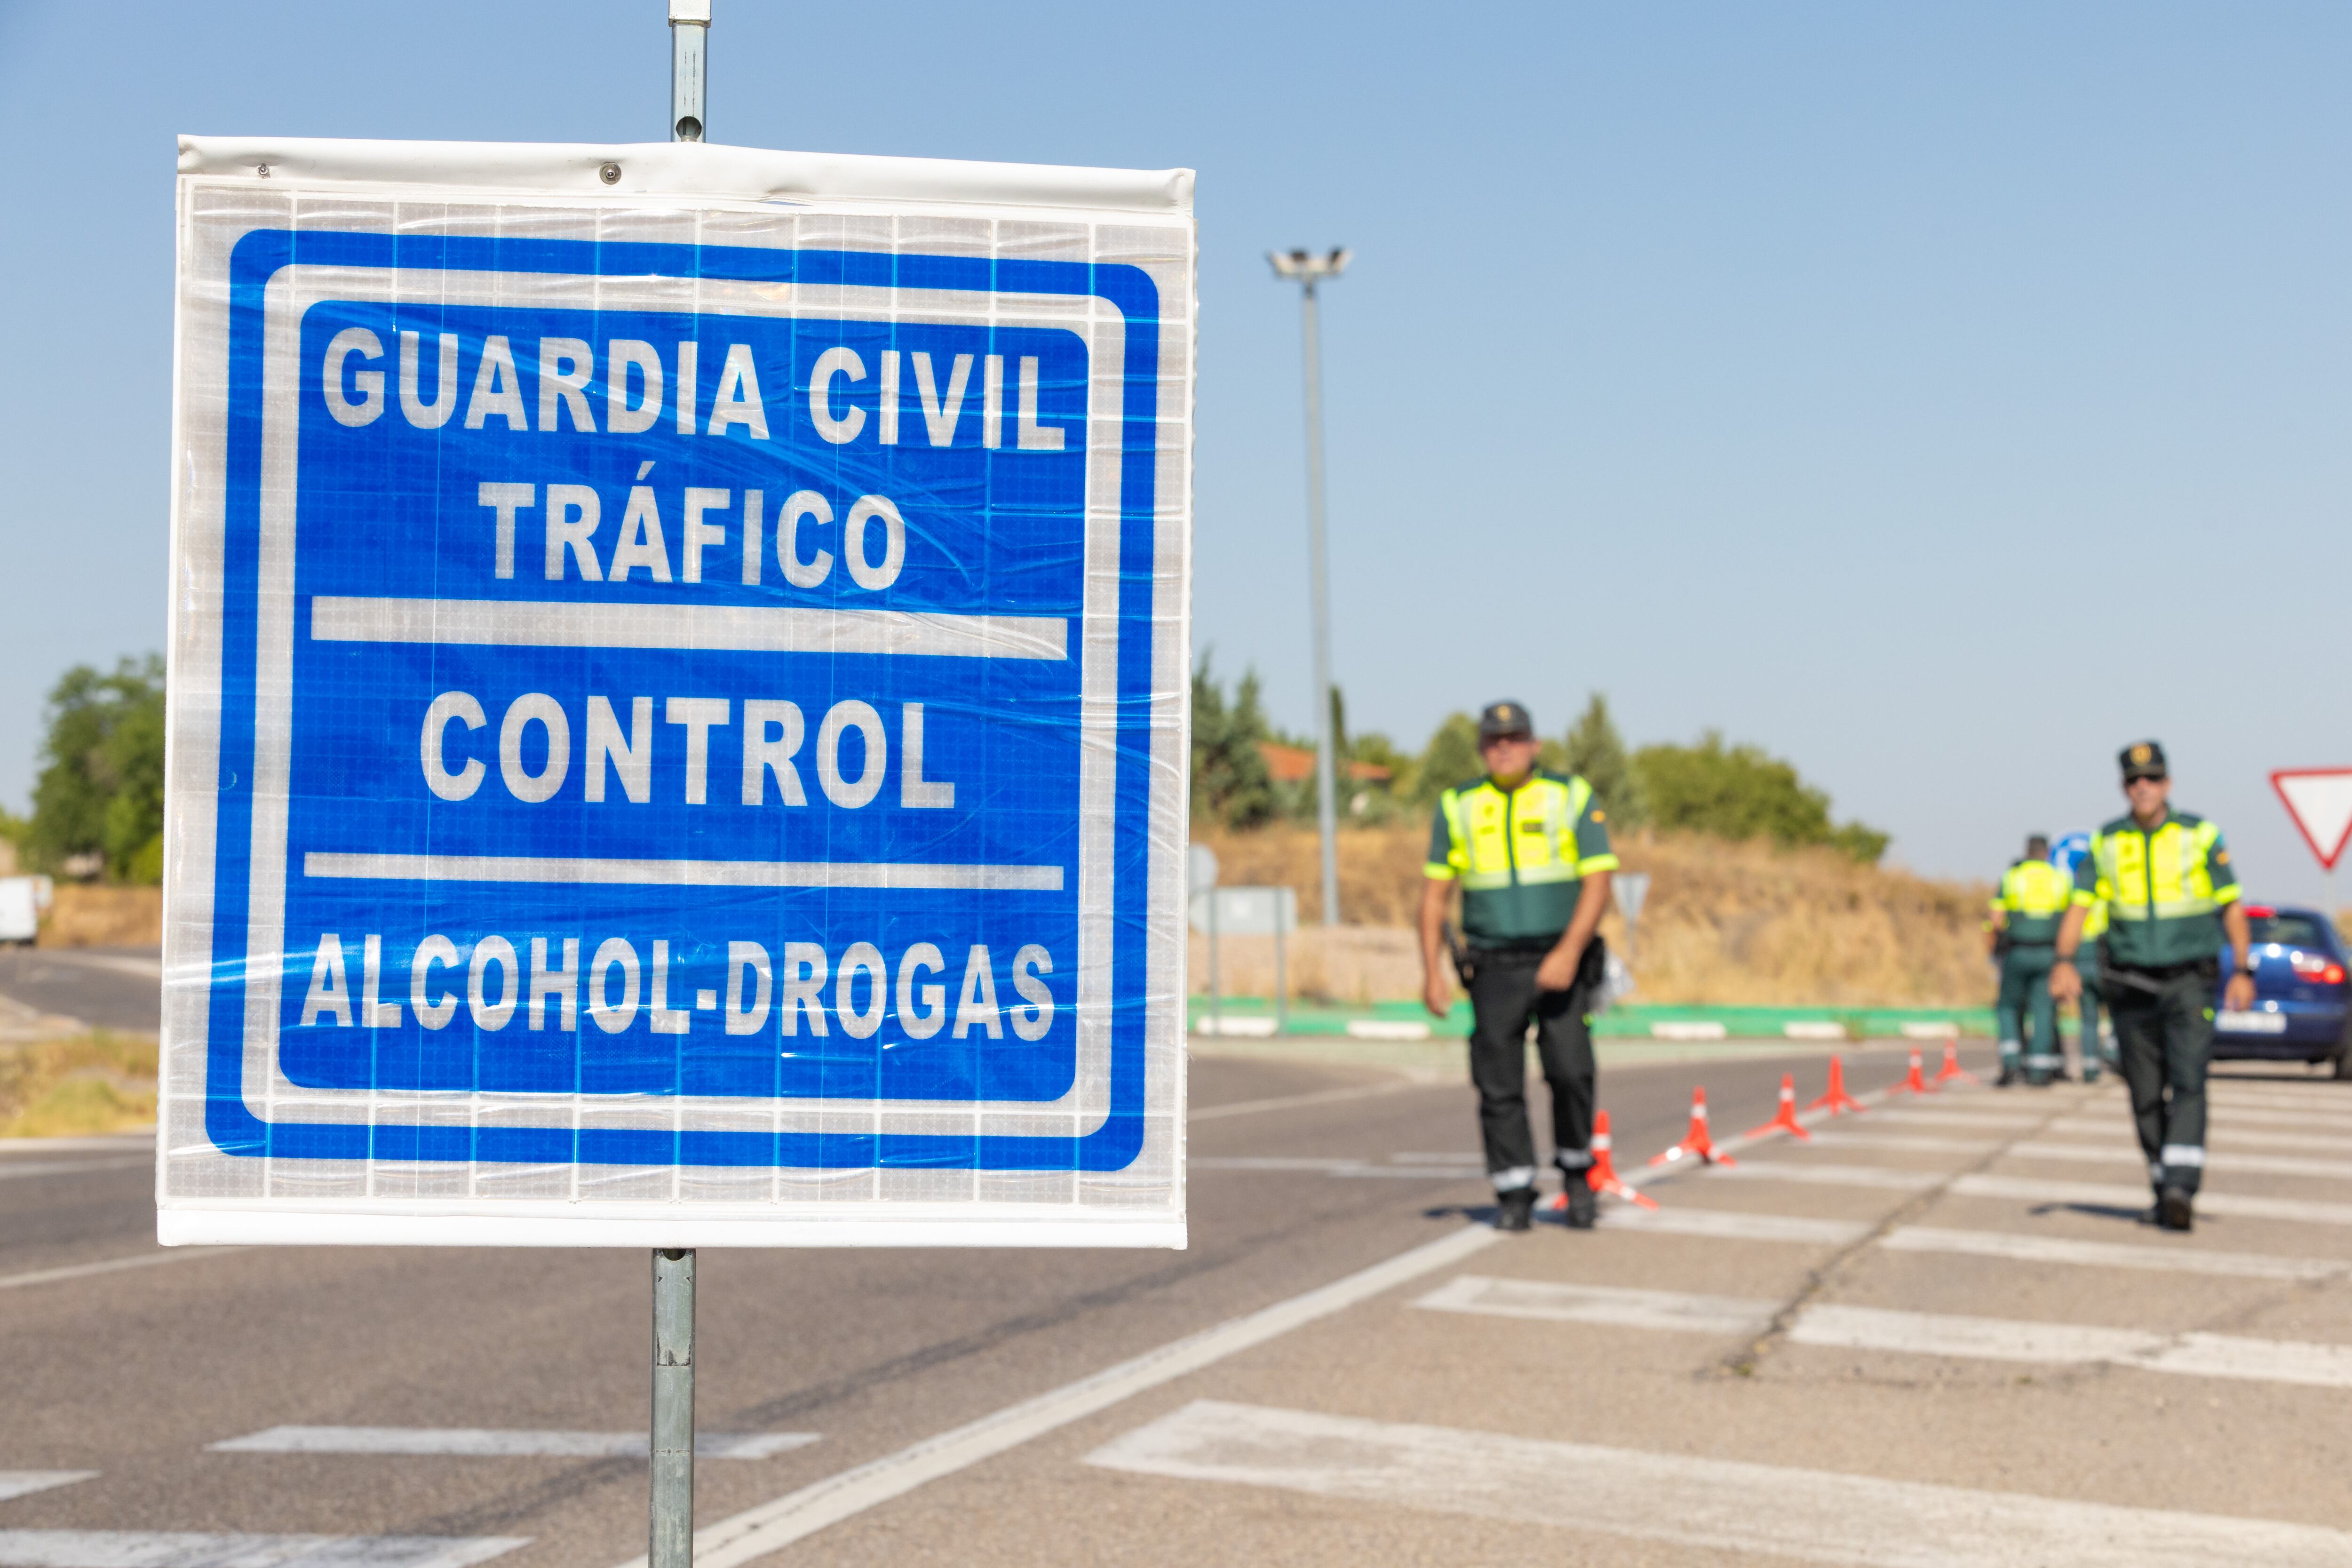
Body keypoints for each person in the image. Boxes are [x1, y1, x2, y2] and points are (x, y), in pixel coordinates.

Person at [1418, 700, 1617, 1232]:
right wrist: (1432, 972)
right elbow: (1434, 896)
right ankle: (1513, 1190)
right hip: (1492, 965)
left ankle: (1577, 1177)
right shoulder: (1457, 803)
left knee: (1571, 1071)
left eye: (1514, 738)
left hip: (1559, 959)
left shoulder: (1569, 795)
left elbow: (1598, 882)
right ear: (1482, 748)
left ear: (1534, 744)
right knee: (1496, 1083)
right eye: (1493, 740)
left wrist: (1568, 953)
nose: (1503, 747)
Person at [2050, 741, 2254, 1232]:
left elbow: (2230, 905)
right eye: (2133, 781)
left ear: (2167, 784)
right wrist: (2062, 962)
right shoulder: (2105, 841)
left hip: (2188, 981)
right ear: (2123, 788)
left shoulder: (2199, 835)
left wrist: (2243, 970)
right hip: (2129, 983)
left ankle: (2181, 1186)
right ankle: (2162, 1183)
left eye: (2152, 779)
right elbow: (2078, 905)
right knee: (2143, 1092)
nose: (2142, 787)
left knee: (2187, 1082)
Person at [1988, 835, 2072, 1087]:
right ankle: (2039, 1071)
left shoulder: (2013, 877)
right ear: (2047, 853)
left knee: (2008, 1007)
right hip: (2050, 953)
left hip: (2018, 952)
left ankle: (2012, 1064)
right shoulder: (2060, 878)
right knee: (2044, 1010)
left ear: (2026, 851)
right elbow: (2072, 919)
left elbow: (1995, 918)